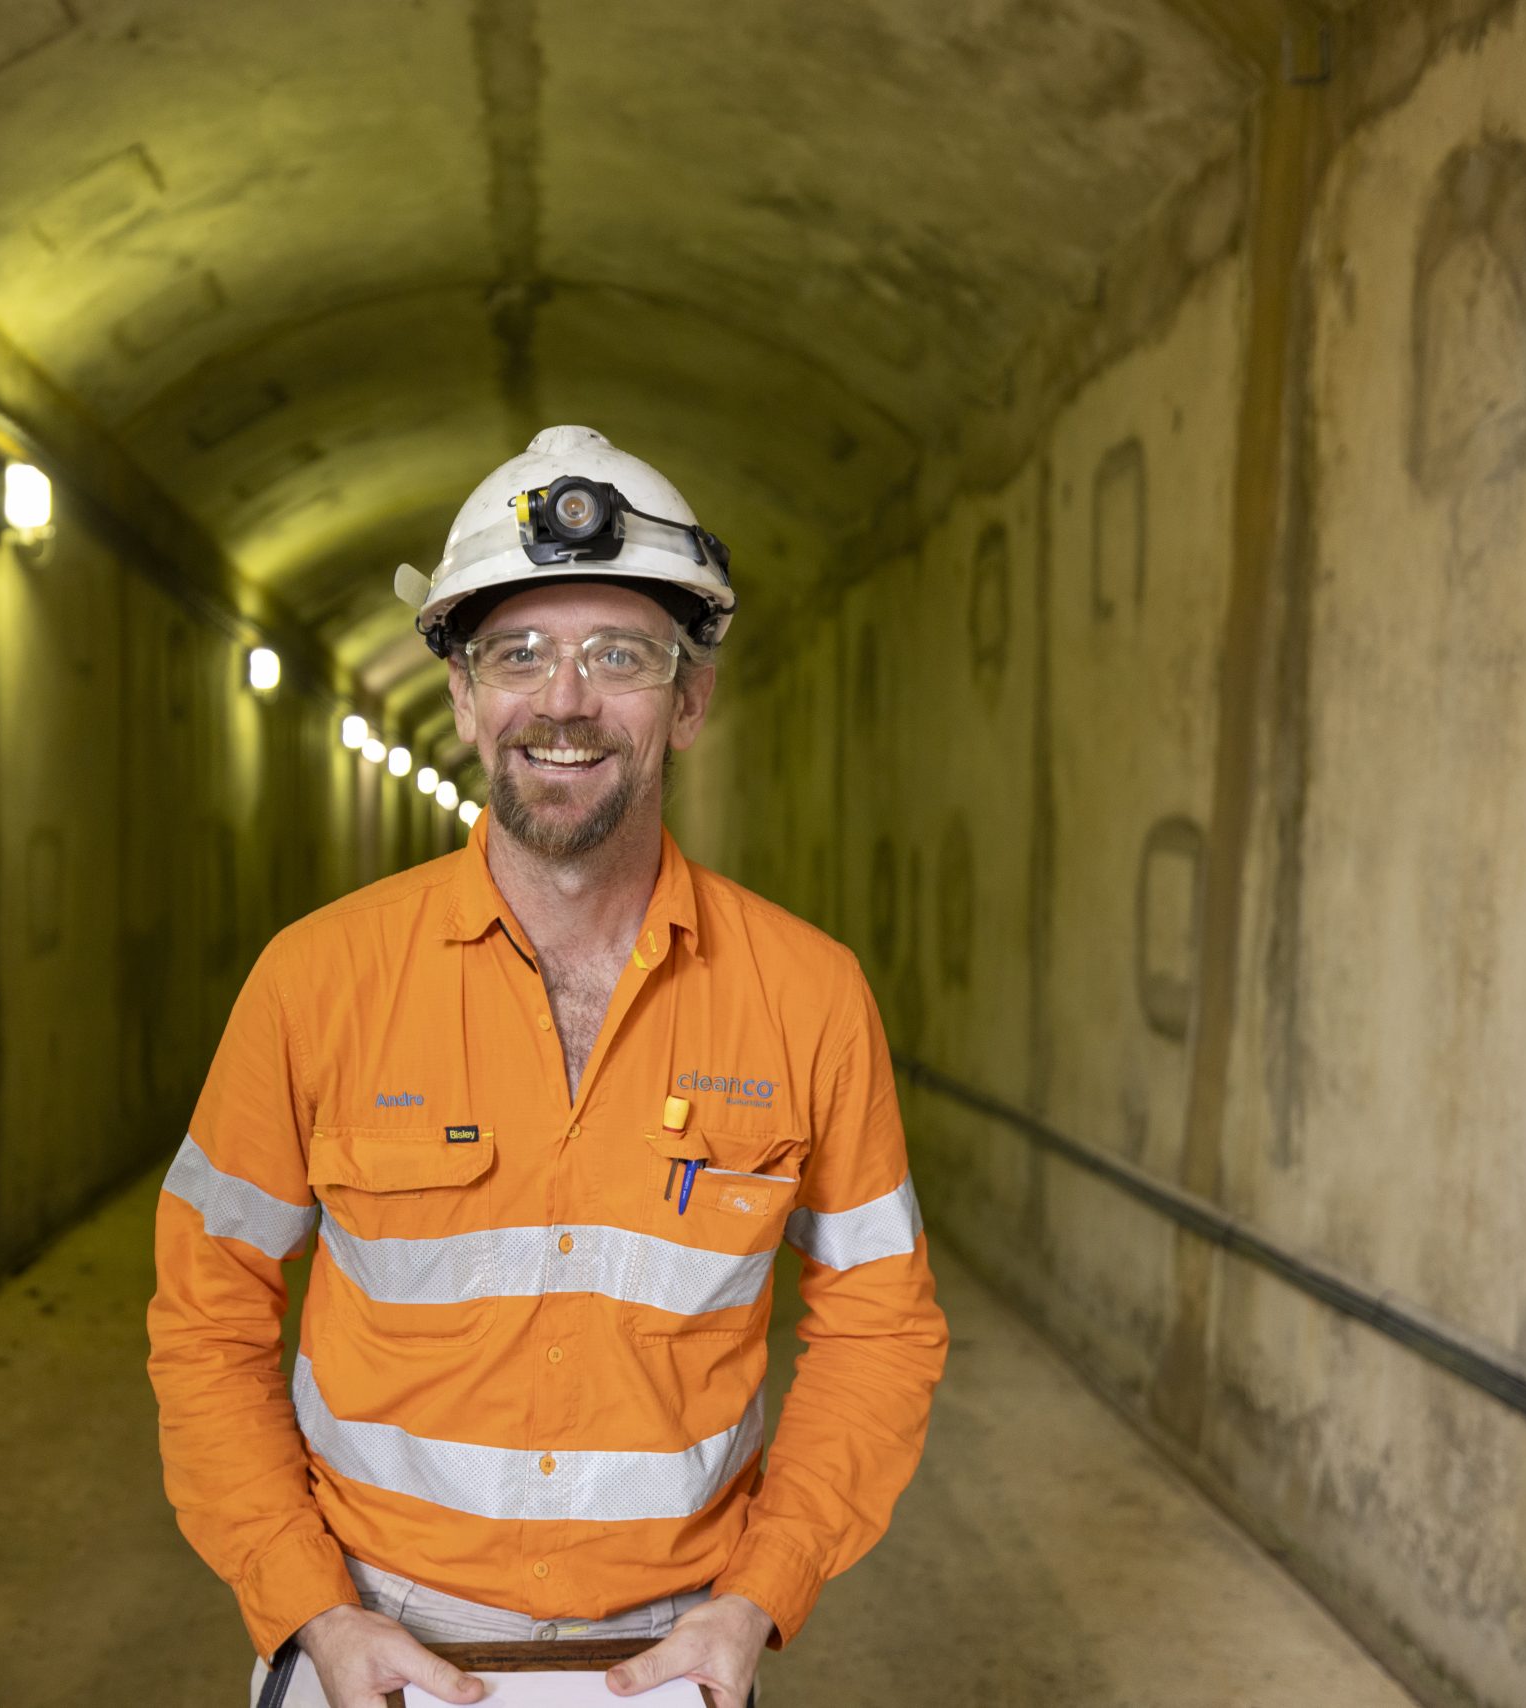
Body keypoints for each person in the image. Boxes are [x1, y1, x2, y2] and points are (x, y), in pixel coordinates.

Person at [147, 426, 947, 1708]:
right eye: (517, 653)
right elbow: (207, 1316)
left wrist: (759, 1597)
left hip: (675, 1656)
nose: (563, 700)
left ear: (688, 702)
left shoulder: (807, 994)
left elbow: (879, 1326)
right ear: (462, 698)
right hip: (371, 1644)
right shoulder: (316, 981)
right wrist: (308, 1611)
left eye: (618, 655)